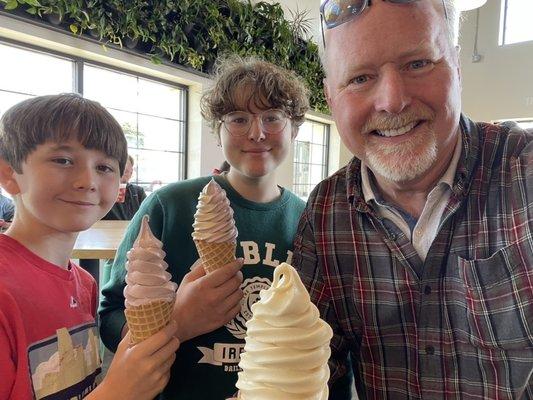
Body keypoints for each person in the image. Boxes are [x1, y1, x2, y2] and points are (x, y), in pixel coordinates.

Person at [293, 0, 532, 399]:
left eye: (417, 63)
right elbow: (306, 372)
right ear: (331, 97)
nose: (392, 99)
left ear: (456, 65)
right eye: (359, 78)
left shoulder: (523, 175)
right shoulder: (325, 212)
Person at [99, 56, 309, 399]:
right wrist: (177, 322)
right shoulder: (171, 206)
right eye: (239, 119)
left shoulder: (308, 220)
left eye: (272, 118)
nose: (257, 133)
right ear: (218, 129)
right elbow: (110, 316)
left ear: (295, 128)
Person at [0, 94, 180, 400]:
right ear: (8, 174)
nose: (87, 181)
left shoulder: (85, 284)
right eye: (63, 160)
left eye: (105, 167)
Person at [103, 154, 147, 220]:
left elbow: (148, 214)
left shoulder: (138, 192)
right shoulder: (101, 191)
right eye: (117, 171)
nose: (120, 176)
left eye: (125, 172)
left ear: (131, 173)